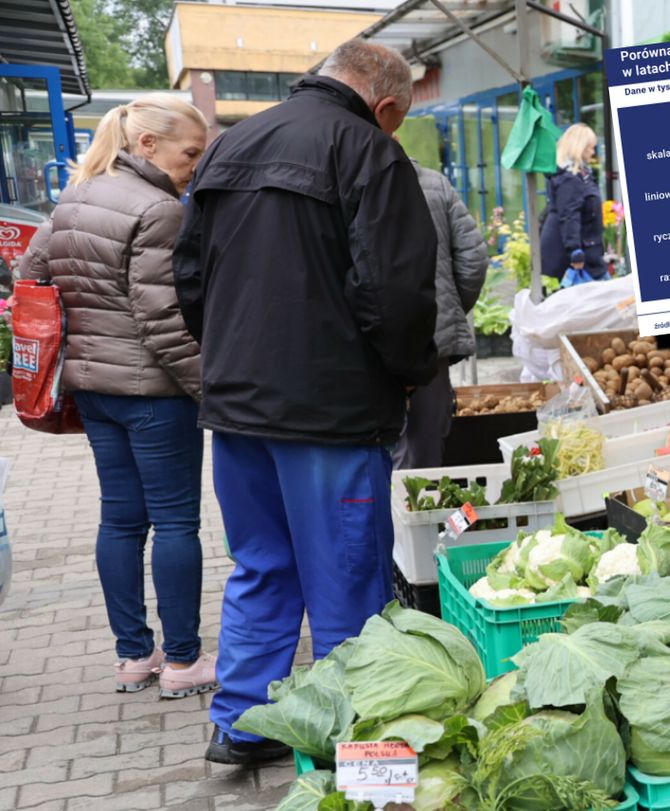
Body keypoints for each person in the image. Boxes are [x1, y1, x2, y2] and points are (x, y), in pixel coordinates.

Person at [172, 40, 439, 765]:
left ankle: (243, 724)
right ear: (383, 106)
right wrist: (411, 373)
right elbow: (395, 295)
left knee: (261, 565)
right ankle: (352, 745)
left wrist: (230, 358)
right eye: (397, 121)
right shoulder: (368, 152)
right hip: (331, 412)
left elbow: (188, 278)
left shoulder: (232, 143)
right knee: (345, 578)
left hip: (237, 408)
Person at [17, 95, 214, 698]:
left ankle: (134, 656)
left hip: (94, 391)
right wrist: (212, 391)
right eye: (190, 151)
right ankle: (182, 662)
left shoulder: (76, 196)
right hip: (154, 393)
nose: (196, 164)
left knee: (120, 521)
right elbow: (163, 323)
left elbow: (29, 271)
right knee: (176, 521)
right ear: (147, 145)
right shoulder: (159, 210)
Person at [394, 163, 488, 470]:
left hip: (368, 349)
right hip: (432, 342)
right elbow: (473, 260)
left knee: (384, 453)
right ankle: (425, 514)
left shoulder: (343, 183)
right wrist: (447, 311)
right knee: (426, 454)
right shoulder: (434, 182)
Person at [539, 123, 606, 283]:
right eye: (590, 147)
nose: (593, 152)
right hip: (576, 258)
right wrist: (575, 251)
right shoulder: (570, 179)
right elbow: (569, 215)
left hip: (586, 250)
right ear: (580, 147)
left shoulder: (581, 175)